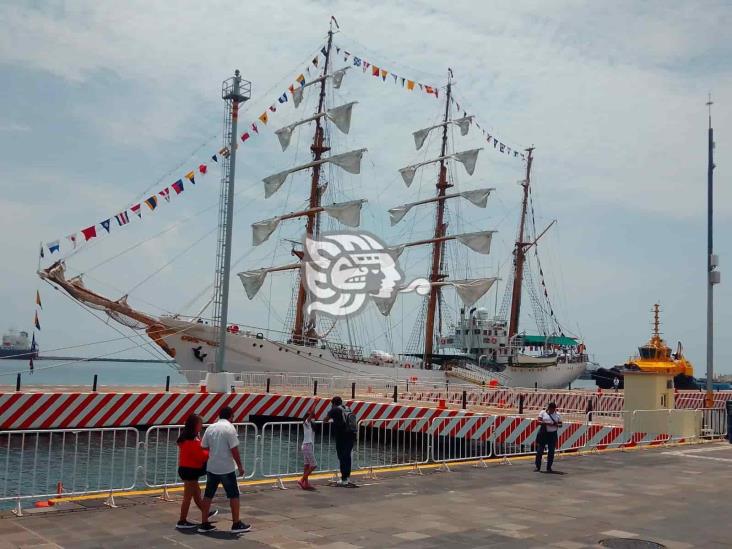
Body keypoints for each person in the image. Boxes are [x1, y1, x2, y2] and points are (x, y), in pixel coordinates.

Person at [198, 407, 251, 534]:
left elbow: (203, 446)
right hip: (226, 468)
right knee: (233, 495)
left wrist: (213, 455)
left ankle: (204, 523)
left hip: (212, 467)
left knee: (208, 495)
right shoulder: (229, 428)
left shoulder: (211, 428)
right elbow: (234, 450)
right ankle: (236, 523)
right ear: (230, 416)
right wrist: (240, 466)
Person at [175, 414, 219, 529]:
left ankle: (205, 512)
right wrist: (209, 451)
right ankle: (182, 520)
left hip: (185, 469)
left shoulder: (185, 438)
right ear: (195, 425)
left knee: (196, 493)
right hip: (190, 471)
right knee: (187, 497)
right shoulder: (193, 440)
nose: (202, 426)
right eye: (201, 424)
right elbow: (201, 456)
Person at [323, 396, 357, 486]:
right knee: (347, 456)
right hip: (351, 434)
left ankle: (344, 479)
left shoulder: (334, 410)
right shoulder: (347, 408)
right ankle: (347, 478)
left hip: (342, 436)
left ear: (333, 403)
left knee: (342, 456)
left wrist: (331, 415)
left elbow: (325, 420)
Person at [535, 402, 562, 473]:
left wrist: (556, 424)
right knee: (539, 451)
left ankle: (549, 467)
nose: (552, 411)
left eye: (553, 409)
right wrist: (548, 424)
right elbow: (538, 422)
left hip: (553, 434)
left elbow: (560, 424)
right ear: (548, 408)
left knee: (551, 451)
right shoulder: (543, 412)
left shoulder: (558, 415)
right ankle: (538, 467)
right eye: (551, 409)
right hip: (543, 433)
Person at [298, 410, 317, 490]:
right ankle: (302, 479)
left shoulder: (310, 425)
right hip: (307, 446)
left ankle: (306, 483)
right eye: (311, 417)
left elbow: (314, 414)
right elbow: (312, 413)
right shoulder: (306, 423)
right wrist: (315, 403)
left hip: (307, 446)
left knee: (307, 465)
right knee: (314, 465)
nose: (313, 419)